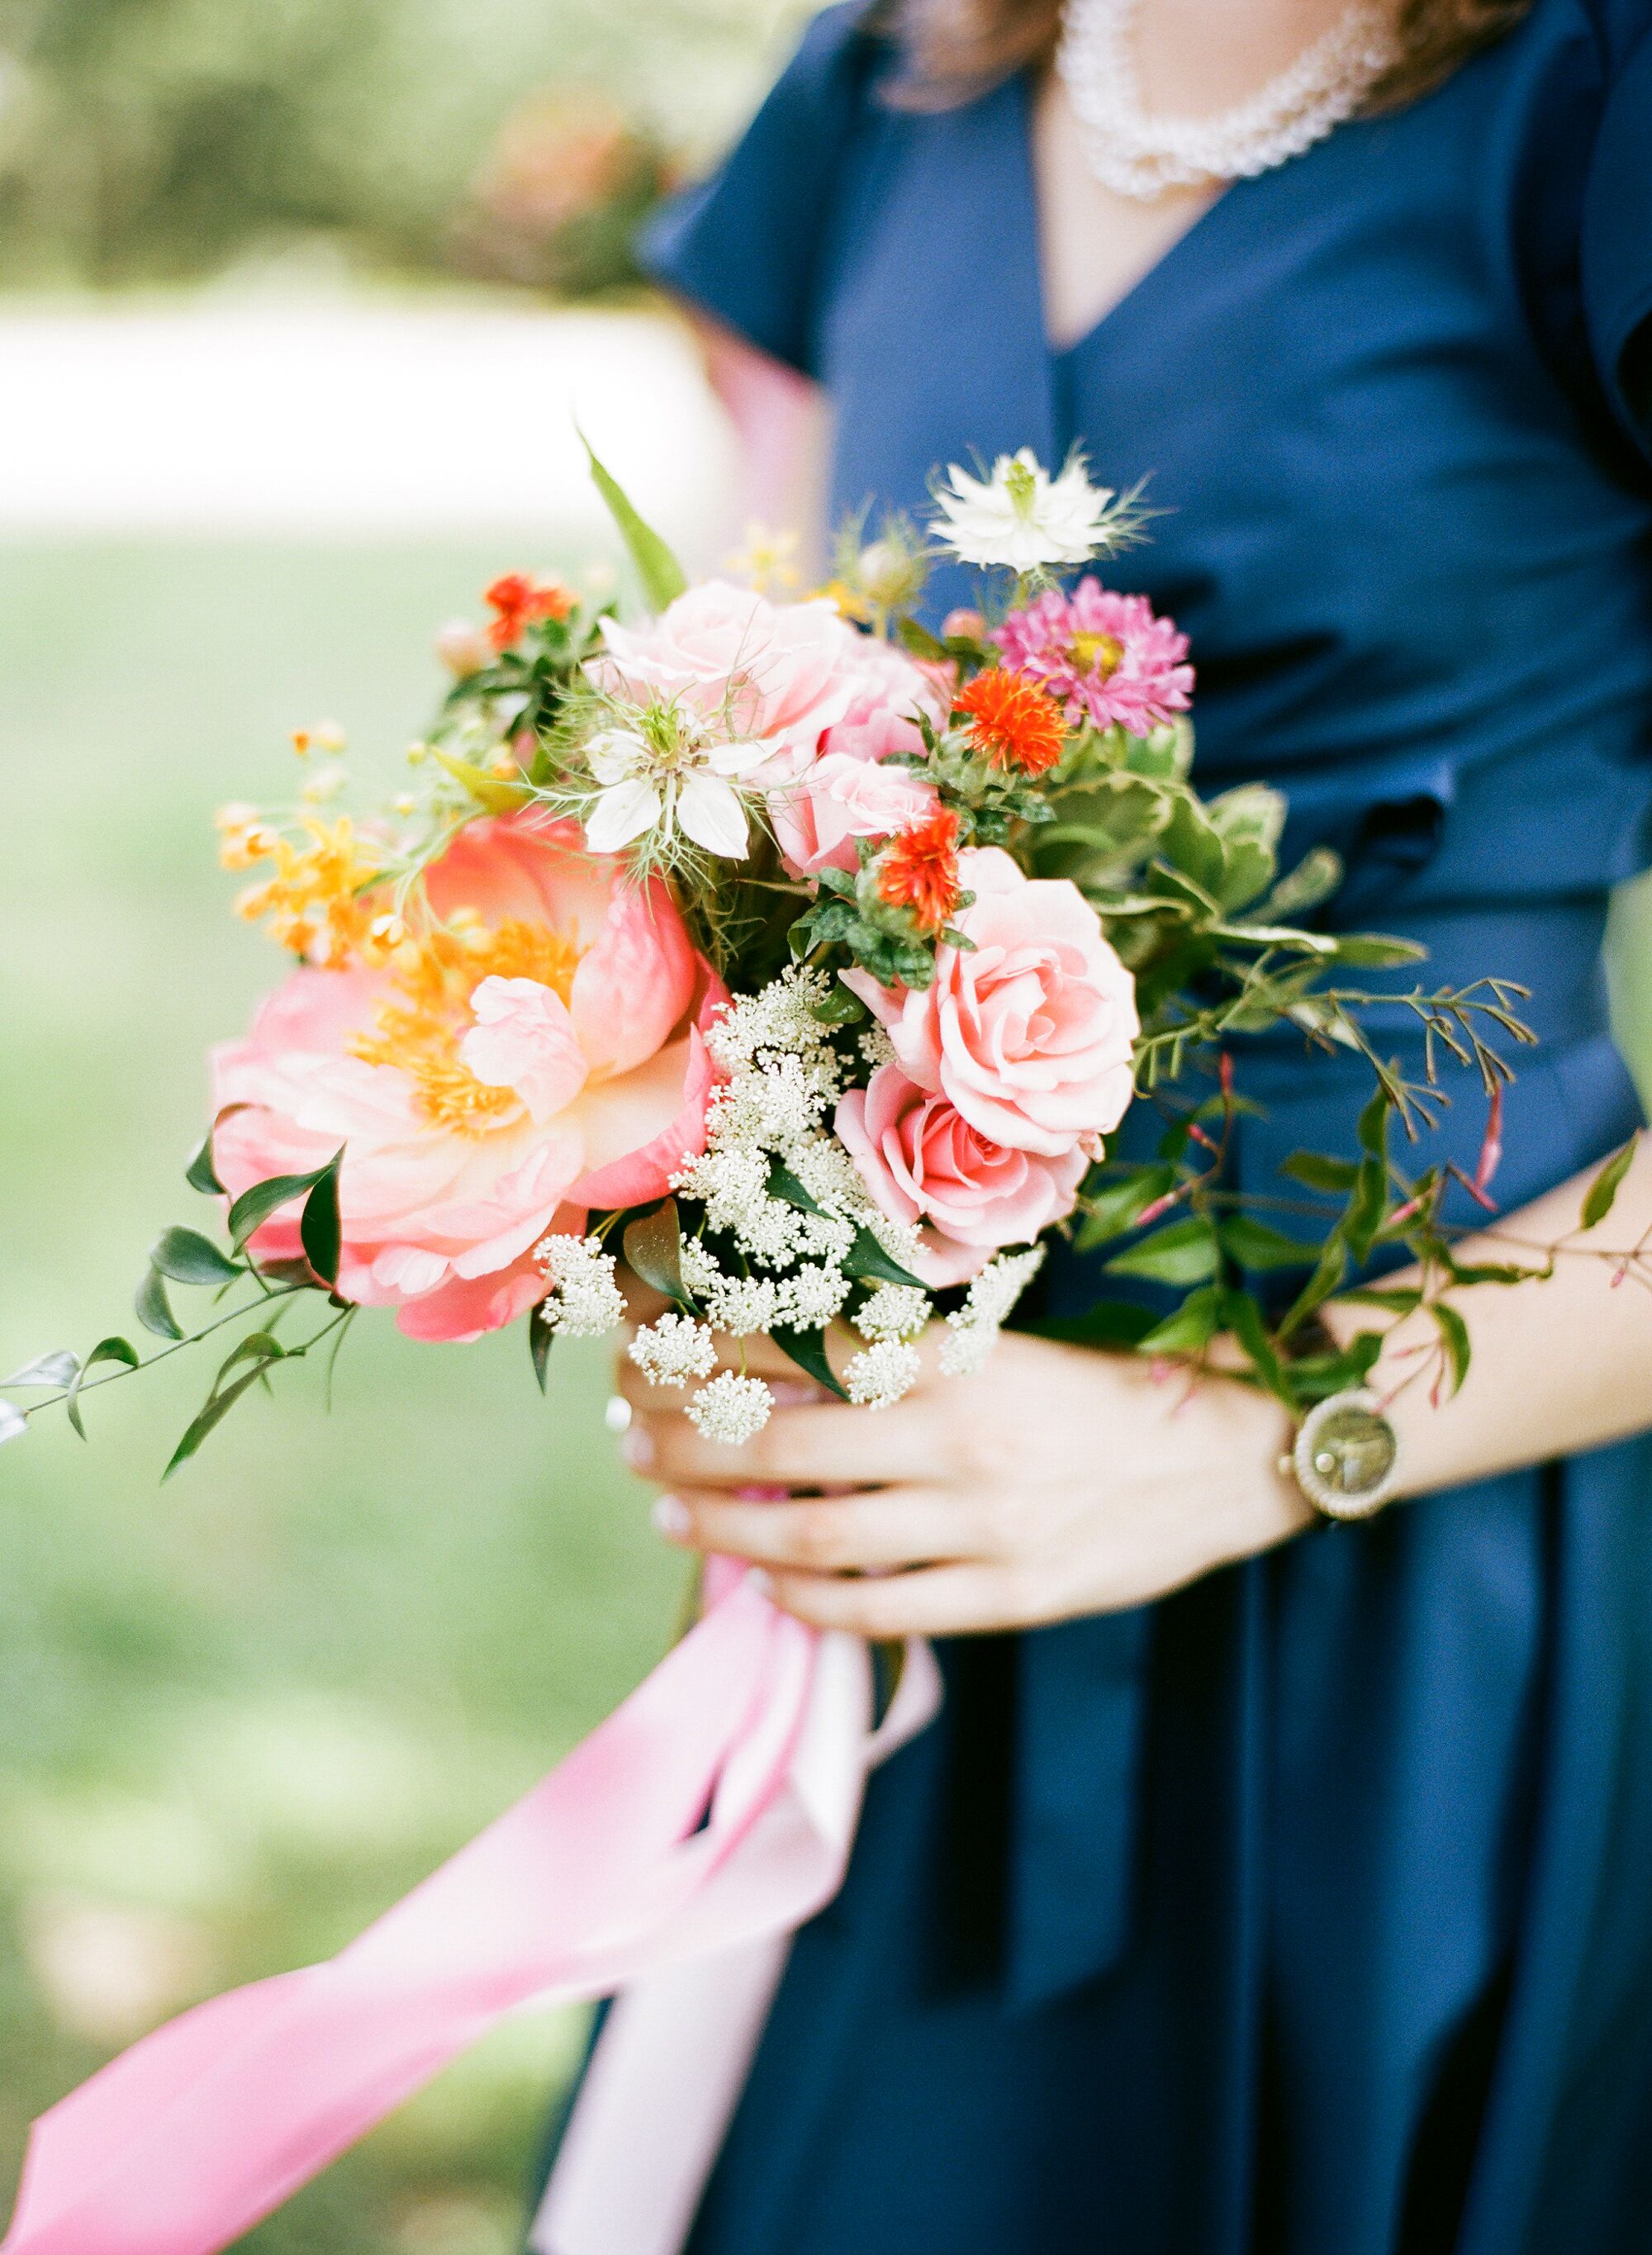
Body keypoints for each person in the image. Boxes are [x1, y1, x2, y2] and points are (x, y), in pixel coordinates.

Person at [548, 2, 1652, 2247]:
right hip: (904, 1521)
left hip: (1426, 1553)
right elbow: (778, 744)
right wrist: (703, 1207)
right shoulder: (894, 77)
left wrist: (1225, 1441)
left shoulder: (1598, 91)